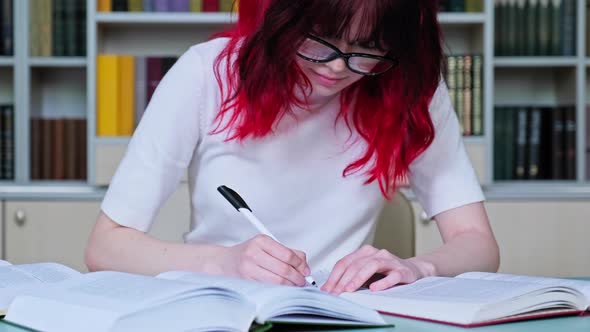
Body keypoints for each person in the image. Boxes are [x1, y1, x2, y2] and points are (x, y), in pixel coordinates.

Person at [85, 0, 500, 294]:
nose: (338, 66)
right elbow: (105, 247)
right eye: (322, 39)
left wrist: (419, 267)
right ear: (281, 18)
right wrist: (223, 263)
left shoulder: (407, 89)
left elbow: (478, 244)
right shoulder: (207, 74)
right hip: (218, 307)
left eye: (369, 47)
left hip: (341, 314)